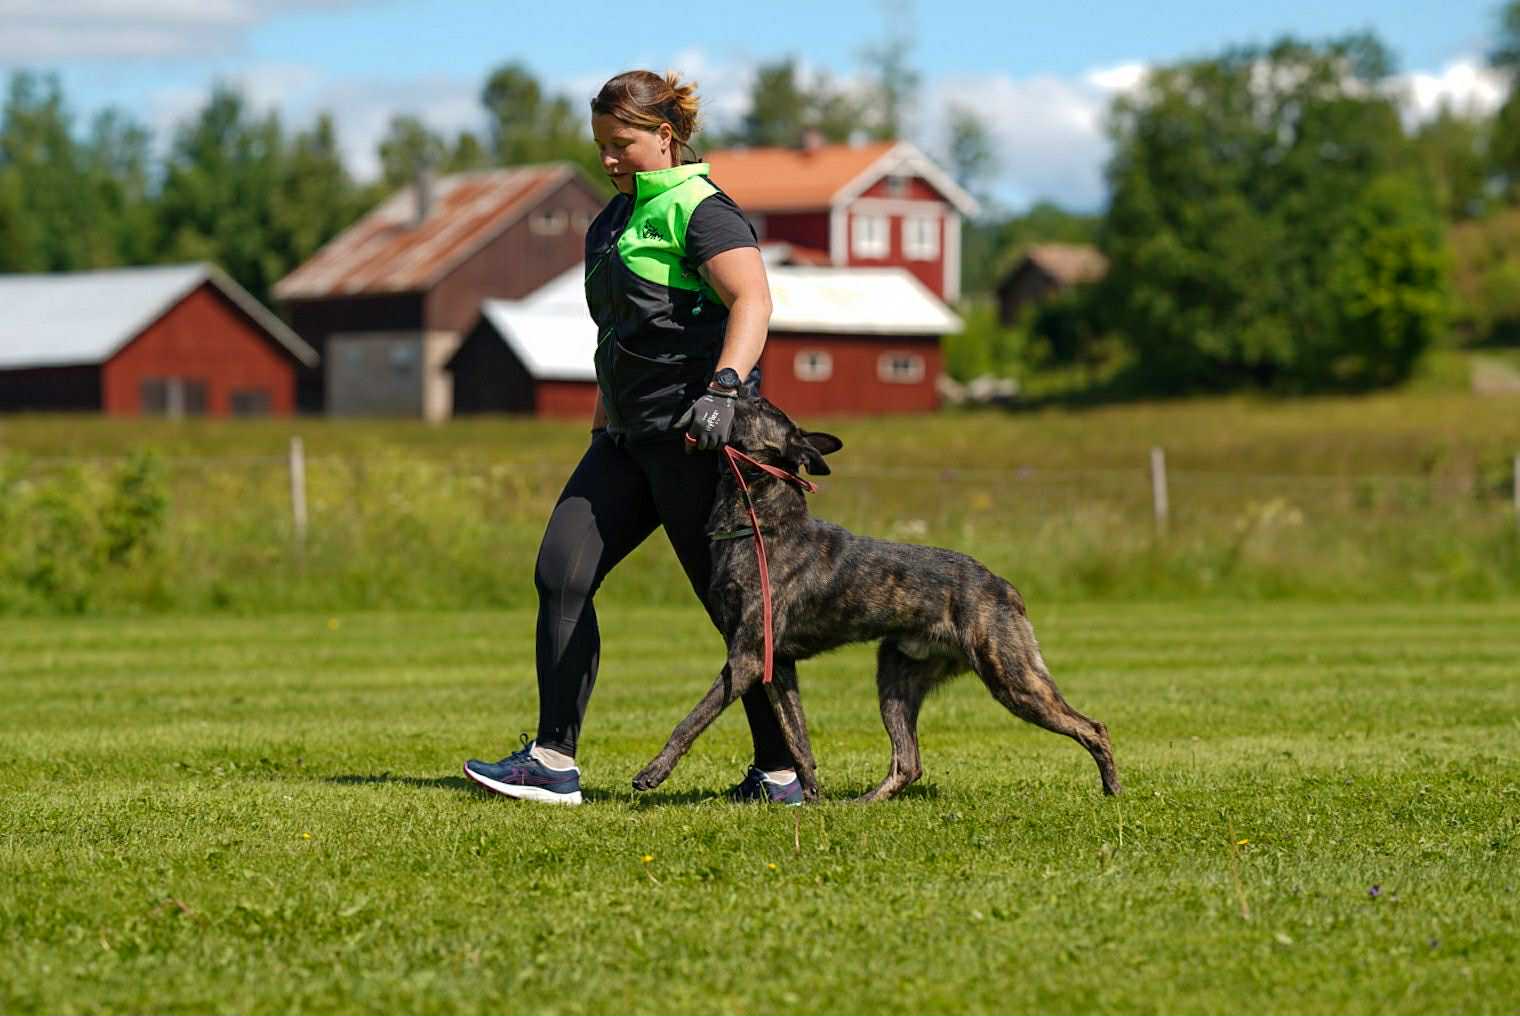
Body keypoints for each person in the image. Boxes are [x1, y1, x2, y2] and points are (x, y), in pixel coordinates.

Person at [463, 70, 802, 806]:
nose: (609, 160)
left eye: (622, 145)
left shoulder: (704, 212)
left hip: (696, 443)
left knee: (734, 611)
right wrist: (601, 424)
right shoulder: (610, 223)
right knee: (561, 571)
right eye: (600, 147)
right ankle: (553, 761)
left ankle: (780, 773)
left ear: (665, 137)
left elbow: (753, 299)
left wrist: (724, 389)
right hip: (622, 441)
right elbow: (619, 338)